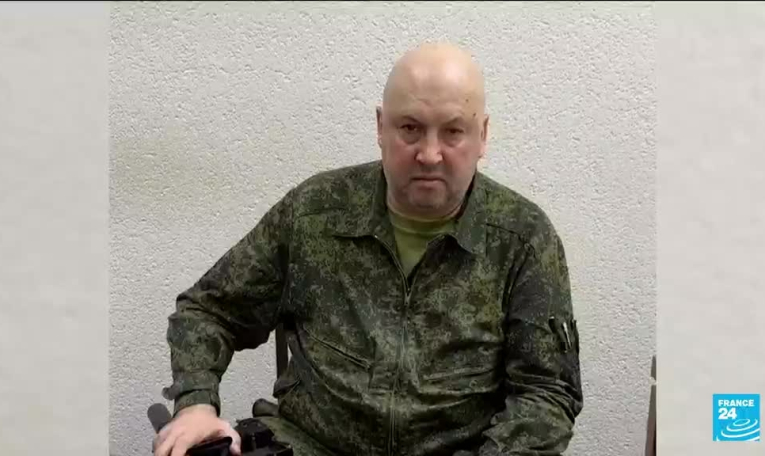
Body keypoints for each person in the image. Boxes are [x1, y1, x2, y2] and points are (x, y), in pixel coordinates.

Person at [153, 41, 583, 456]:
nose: (429, 154)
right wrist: (195, 404)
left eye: (453, 131)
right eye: (410, 128)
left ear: (482, 135)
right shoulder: (315, 214)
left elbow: (545, 395)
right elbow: (209, 310)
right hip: (312, 445)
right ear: (381, 127)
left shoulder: (523, 240)